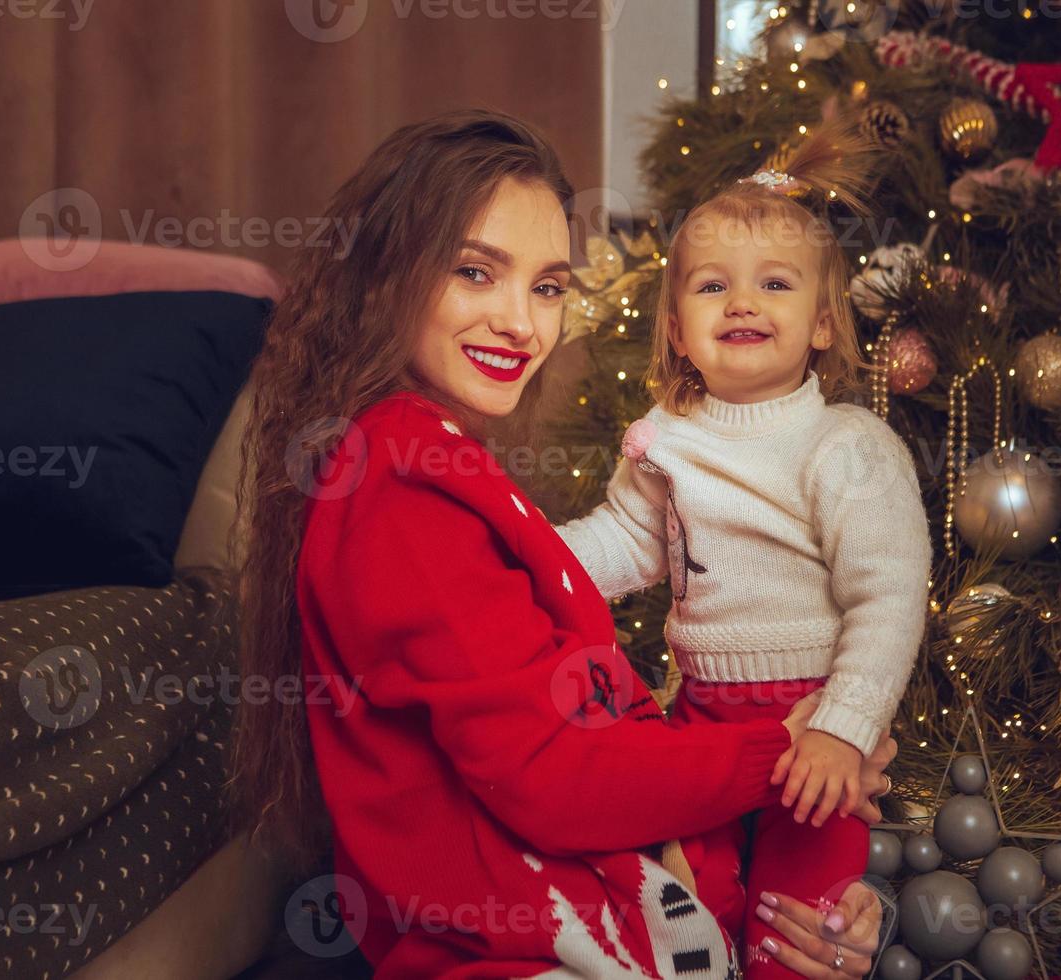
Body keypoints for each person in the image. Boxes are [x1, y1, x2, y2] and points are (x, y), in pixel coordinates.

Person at [228, 109, 896, 978]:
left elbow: (591, 743)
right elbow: (554, 777)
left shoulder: (431, 460)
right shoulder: (397, 482)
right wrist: (790, 756)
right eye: (476, 272)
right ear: (386, 275)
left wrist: (813, 915)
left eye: (546, 287)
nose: (521, 324)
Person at [554, 117, 931, 976]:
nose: (743, 302)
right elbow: (622, 543)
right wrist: (522, 553)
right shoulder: (668, 437)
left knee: (797, 927)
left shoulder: (846, 445)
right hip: (698, 720)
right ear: (678, 330)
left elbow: (889, 597)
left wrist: (843, 726)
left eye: (774, 284)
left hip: (811, 728)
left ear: (826, 323)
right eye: (713, 287)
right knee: (685, 907)